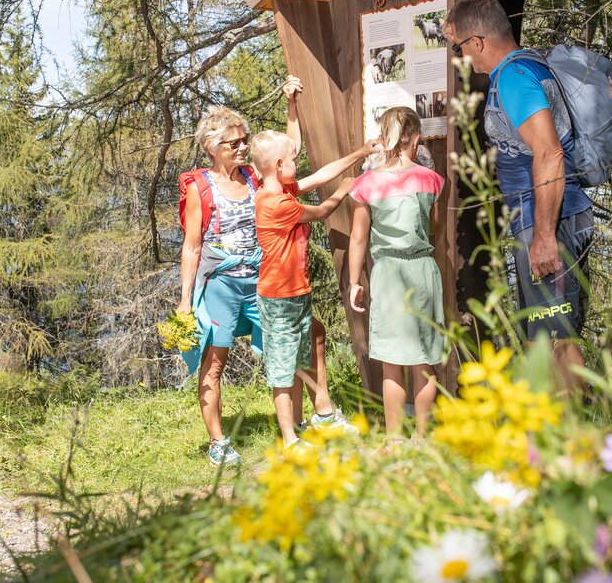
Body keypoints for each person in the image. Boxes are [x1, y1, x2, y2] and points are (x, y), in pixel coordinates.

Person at [177, 78, 353, 466]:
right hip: (221, 283)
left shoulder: (256, 177)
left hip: (262, 280)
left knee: (304, 340)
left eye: (244, 141)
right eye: (233, 143)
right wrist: (185, 301)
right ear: (212, 147)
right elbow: (191, 246)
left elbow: (288, 151)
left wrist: (292, 104)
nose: (242, 147)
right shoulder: (200, 188)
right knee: (216, 359)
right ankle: (218, 442)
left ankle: (311, 420)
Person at [442, 0, 596, 393]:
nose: (462, 57)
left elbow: (549, 152)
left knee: (556, 335)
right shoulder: (532, 64)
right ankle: (559, 433)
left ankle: (580, 440)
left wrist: (543, 236)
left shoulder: (512, 78)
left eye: (460, 46)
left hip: (548, 221)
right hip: (551, 217)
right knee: (545, 334)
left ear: (477, 42)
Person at [250, 129, 379, 447]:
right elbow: (321, 212)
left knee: (313, 337)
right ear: (279, 165)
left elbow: (321, 176)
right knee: (282, 368)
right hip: (279, 296)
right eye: (294, 160)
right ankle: (291, 439)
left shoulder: (281, 188)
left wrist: (359, 153)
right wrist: (345, 189)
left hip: (294, 292)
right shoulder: (277, 203)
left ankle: (315, 417)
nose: (298, 164)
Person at [347, 107, 445, 439]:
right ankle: (420, 438)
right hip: (422, 270)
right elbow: (435, 227)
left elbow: (359, 236)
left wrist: (353, 281)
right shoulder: (431, 180)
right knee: (424, 359)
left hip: (386, 273)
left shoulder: (367, 183)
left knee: (391, 361)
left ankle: (393, 440)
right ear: (415, 138)